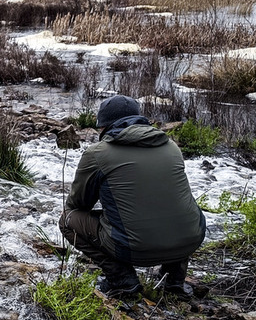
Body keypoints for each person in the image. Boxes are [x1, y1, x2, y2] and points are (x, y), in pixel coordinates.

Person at [59, 95, 206, 297]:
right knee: (175, 206)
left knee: (67, 220)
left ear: (104, 126)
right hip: (190, 239)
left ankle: (122, 279)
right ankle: (174, 281)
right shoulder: (171, 146)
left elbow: (78, 204)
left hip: (135, 250)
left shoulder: (98, 153)